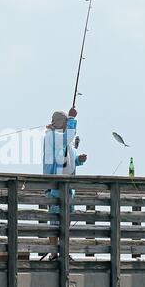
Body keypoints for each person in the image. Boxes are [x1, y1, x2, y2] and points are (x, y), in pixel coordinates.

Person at [42, 108, 87, 260]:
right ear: (59, 122)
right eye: (66, 121)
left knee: (65, 224)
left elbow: (67, 161)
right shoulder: (51, 136)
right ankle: (54, 253)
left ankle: (64, 252)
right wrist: (73, 118)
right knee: (54, 222)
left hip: (68, 188)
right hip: (55, 187)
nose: (68, 124)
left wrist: (78, 160)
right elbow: (68, 137)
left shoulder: (64, 141)